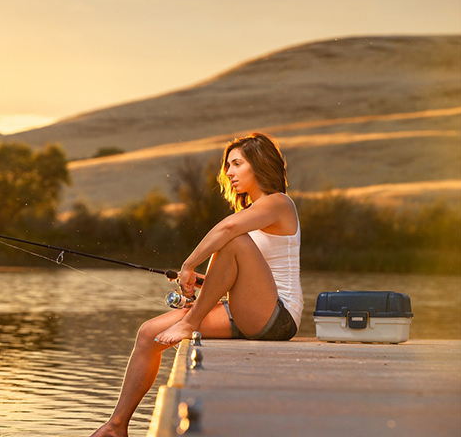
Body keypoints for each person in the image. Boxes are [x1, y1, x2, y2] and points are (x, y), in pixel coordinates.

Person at [90, 132, 303, 437]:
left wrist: (189, 266)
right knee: (148, 334)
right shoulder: (252, 213)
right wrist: (205, 282)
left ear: (259, 165)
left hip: (278, 318)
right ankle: (117, 425)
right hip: (247, 312)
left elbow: (227, 231)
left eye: (236, 164)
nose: (228, 172)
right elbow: (247, 276)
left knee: (232, 238)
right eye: (228, 165)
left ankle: (190, 322)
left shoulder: (280, 203)